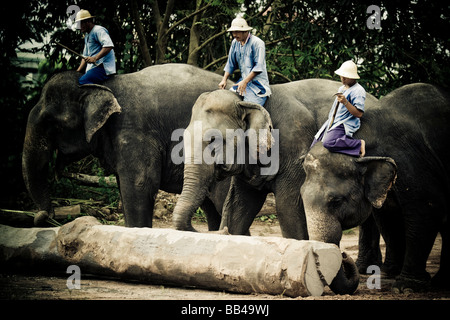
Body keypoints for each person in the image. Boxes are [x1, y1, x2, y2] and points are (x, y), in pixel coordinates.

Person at [311, 60, 366, 157]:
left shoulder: (358, 91)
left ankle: (358, 144)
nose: (343, 79)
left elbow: (359, 114)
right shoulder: (342, 88)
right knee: (315, 143)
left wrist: (345, 102)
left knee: (328, 142)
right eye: (341, 76)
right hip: (333, 120)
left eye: (346, 76)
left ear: (353, 77)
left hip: (345, 122)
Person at [218, 17, 271, 107]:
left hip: (257, 83)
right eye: (233, 32)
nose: (234, 34)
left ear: (245, 31)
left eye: (237, 31)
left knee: (248, 108)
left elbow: (258, 67)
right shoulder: (235, 43)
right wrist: (224, 79)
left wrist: (245, 82)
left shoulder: (257, 43)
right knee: (228, 101)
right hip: (243, 80)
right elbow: (231, 63)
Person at [75, 9, 116, 85]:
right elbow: (85, 56)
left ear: (87, 22)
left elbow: (109, 45)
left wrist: (95, 58)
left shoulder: (98, 30)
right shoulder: (87, 35)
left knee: (82, 81)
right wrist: (77, 71)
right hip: (94, 68)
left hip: (103, 68)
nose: (79, 27)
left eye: (80, 24)